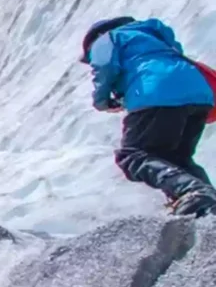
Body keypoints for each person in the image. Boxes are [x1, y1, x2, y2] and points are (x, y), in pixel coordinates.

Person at [82, 16, 216, 217]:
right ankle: (207, 205)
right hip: (198, 93)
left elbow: (104, 67)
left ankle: (193, 193)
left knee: (132, 156)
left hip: (157, 91)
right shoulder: (154, 35)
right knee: (177, 158)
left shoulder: (107, 38)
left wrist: (101, 100)